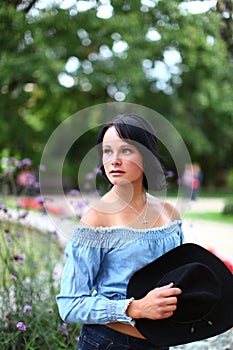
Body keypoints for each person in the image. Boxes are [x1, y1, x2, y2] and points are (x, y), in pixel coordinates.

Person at [56, 114, 184, 350]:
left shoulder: (169, 213)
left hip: (161, 343)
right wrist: (134, 308)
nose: (114, 160)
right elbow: (70, 304)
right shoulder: (96, 220)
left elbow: (179, 280)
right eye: (107, 151)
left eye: (126, 151)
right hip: (109, 342)